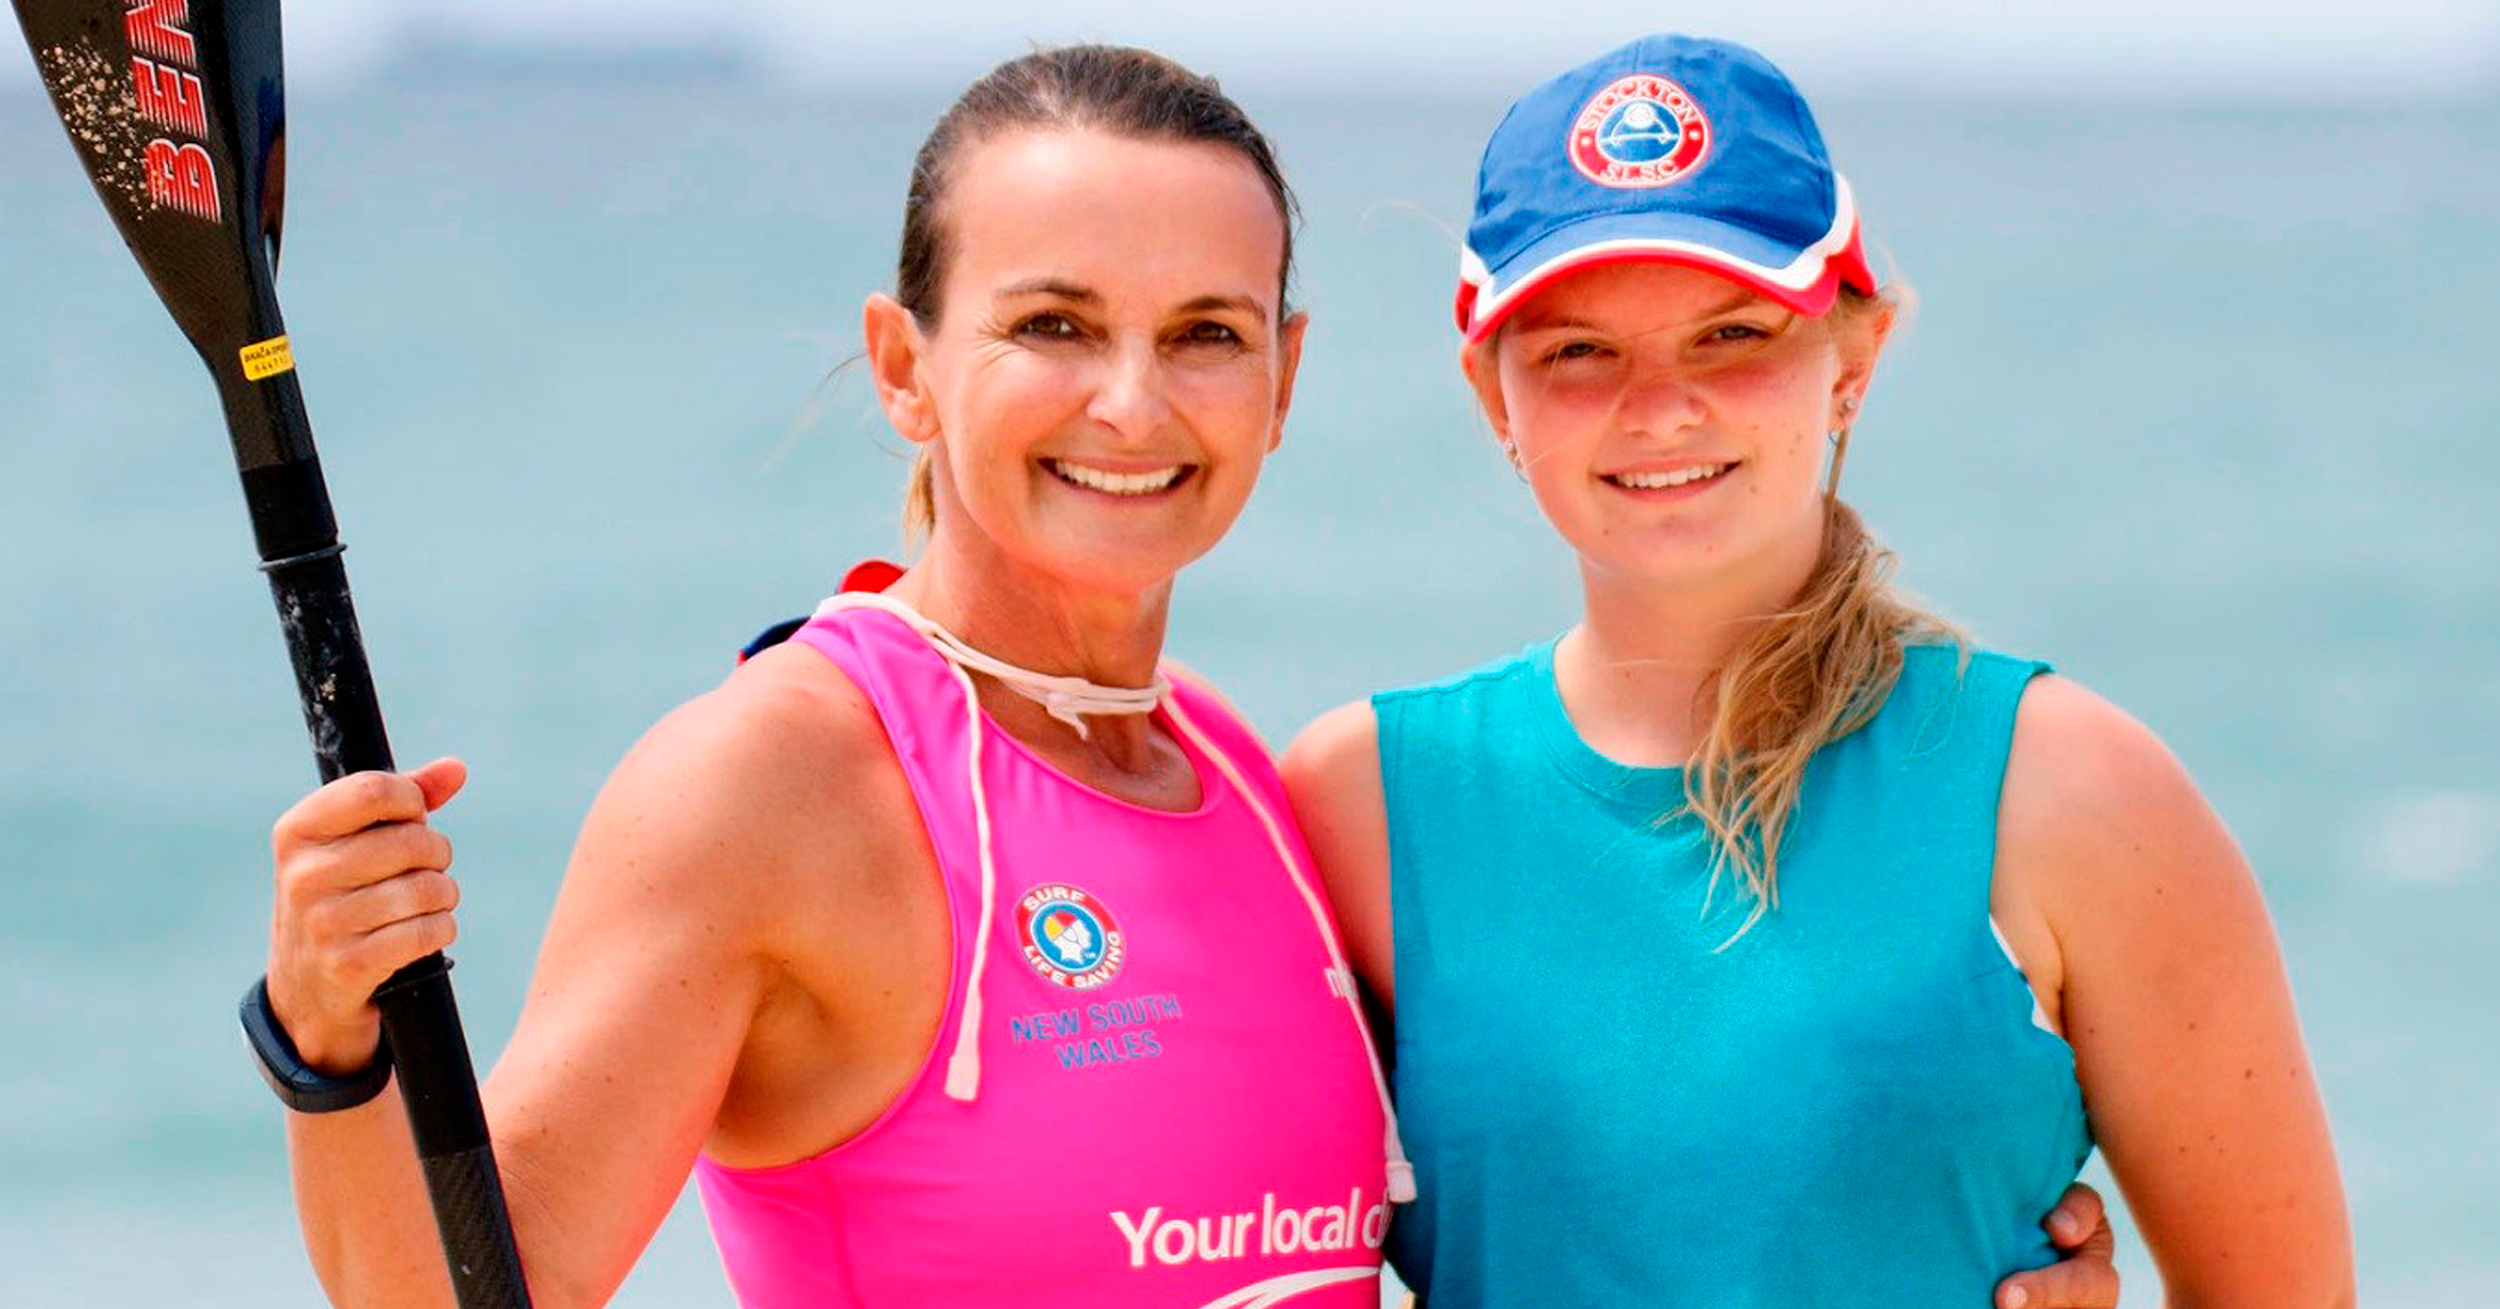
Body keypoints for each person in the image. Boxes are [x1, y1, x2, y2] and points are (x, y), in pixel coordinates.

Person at [243, 41, 2120, 1309]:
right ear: (905, 361)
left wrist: (1933, 1238)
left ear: (1285, 379)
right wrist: (330, 1038)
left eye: (1203, 334)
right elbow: (475, 1282)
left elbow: (1598, 1147)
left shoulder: (1241, 779)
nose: (1134, 403)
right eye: (1053, 324)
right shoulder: (786, 774)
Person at [1283, 33, 2355, 1309]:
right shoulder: (1359, 803)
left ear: (1853, 360)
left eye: (1732, 334)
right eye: (1577, 350)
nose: (1660, 405)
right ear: (1489, 394)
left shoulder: (2072, 791)